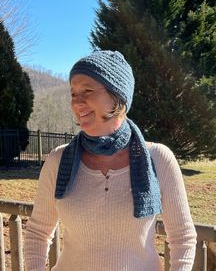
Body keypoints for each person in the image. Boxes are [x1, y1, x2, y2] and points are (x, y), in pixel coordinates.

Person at [24, 50, 197, 271]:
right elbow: (37, 233)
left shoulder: (158, 159)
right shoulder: (58, 160)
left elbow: (183, 237)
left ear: (117, 96)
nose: (77, 103)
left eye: (87, 91)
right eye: (73, 94)